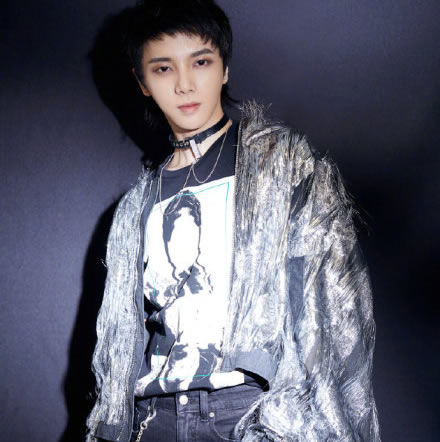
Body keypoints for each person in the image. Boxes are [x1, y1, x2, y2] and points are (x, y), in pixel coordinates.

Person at [85, 1, 381, 441]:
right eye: (163, 69)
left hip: (251, 416)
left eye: (200, 62)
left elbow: (336, 314)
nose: (185, 84)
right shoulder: (135, 208)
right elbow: (120, 339)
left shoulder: (284, 166)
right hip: (154, 420)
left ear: (224, 68)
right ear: (142, 82)